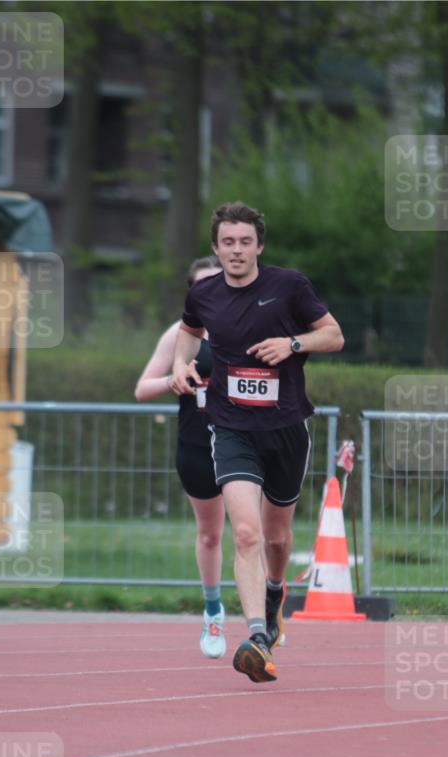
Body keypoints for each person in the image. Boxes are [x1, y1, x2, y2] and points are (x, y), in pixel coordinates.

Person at [171, 202, 344, 683]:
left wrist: (292, 344)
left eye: (245, 242)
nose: (236, 250)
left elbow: (334, 336)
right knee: (245, 533)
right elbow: (188, 332)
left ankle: (275, 590)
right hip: (230, 428)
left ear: (259, 246)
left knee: (276, 538)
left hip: (285, 428)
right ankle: (256, 638)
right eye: (228, 242)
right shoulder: (203, 294)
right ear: (215, 247)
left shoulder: (289, 286)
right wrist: (180, 365)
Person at [135, 256, 227, 658]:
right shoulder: (179, 334)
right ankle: (213, 610)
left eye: (217, 283)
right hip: (196, 443)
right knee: (210, 533)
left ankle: (264, 616)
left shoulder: (248, 326)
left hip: (245, 442)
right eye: (201, 286)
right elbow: (142, 389)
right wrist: (172, 379)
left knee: (252, 532)